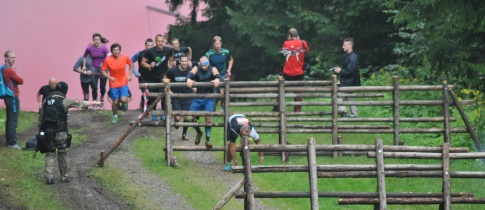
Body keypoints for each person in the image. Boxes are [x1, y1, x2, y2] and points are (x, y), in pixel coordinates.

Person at [38, 81, 100, 184]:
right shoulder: (65, 101)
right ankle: (64, 177)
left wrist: (40, 132)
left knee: (50, 153)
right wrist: (95, 102)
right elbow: (82, 103)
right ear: (64, 91)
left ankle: (49, 176)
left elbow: (40, 119)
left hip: (48, 133)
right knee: (62, 153)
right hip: (61, 133)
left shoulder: (46, 100)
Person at [186, 56, 225, 148]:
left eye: (205, 65)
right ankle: (199, 132)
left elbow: (219, 76)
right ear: (199, 64)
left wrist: (217, 79)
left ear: (208, 64)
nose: (203, 67)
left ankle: (207, 140)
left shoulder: (213, 69)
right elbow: (190, 75)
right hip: (198, 96)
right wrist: (188, 79)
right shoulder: (196, 68)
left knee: (208, 118)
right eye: (202, 65)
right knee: (190, 117)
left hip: (209, 97)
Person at [274, 28, 310, 112]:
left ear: (289, 35)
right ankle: (297, 110)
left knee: (282, 90)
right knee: (298, 93)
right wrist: (299, 41)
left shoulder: (286, 43)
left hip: (287, 72)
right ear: (297, 35)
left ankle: (277, 108)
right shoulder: (303, 43)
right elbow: (306, 52)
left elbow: (283, 53)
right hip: (299, 72)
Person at [141, 34, 173, 121]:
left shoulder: (168, 50)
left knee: (164, 95)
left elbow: (171, 55)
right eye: (158, 41)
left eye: (162, 41)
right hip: (153, 77)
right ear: (156, 42)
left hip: (164, 76)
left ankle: (163, 113)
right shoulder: (150, 51)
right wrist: (149, 66)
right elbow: (143, 63)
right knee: (154, 96)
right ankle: (154, 113)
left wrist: (170, 66)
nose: (160, 43)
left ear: (164, 42)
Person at [100, 43, 133, 124]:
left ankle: (125, 104)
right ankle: (115, 116)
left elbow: (131, 64)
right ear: (111, 51)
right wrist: (109, 77)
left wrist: (130, 74)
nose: (116, 51)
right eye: (114, 50)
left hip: (123, 82)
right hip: (113, 84)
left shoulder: (125, 57)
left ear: (120, 50)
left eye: (117, 50)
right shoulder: (108, 60)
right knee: (115, 101)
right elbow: (102, 70)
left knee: (123, 99)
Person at [163, 53, 193, 141]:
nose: (184, 63)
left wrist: (194, 87)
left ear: (188, 62)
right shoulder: (172, 70)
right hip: (176, 97)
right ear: (179, 61)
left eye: (186, 61)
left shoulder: (191, 71)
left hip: (188, 97)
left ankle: (184, 135)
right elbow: (164, 79)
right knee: (178, 117)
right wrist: (169, 91)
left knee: (187, 117)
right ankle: (176, 121)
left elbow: (195, 80)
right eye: (182, 61)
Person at [333, 38, 360, 118]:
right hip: (349, 82)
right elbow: (348, 70)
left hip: (349, 82)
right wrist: (339, 70)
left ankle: (344, 113)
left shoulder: (352, 57)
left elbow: (350, 71)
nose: (342, 47)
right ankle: (354, 115)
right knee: (350, 98)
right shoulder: (349, 56)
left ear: (350, 45)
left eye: (344, 45)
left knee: (337, 96)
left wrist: (340, 71)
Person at [2, 50, 24, 149]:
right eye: (12, 57)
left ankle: (9, 141)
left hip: (8, 96)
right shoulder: (9, 70)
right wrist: (17, 73)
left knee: (9, 119)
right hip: (12, 97)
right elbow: (21, 80)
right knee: (13, 120)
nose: (14, 59)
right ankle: (12, 142)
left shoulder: (2, 68)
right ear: (6, 58)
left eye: (14, 57)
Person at [205, 36, 233, 111]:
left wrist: (229, 69)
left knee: (224, 93)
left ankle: (222, 106)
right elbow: (205, 64)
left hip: (223, 75)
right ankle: (214, 112)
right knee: (214, 96)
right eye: (216, 44)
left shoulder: (226, 52)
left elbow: (230, 59)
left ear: (221, 44)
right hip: (213, 77)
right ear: (213, 44)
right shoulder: (209, 54)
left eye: (219, 44)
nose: (217, 46)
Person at [82, 33, 110, 109]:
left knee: (102, 87)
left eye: (98, 40)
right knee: (94, 87)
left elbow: (109, 56)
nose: (96, 41)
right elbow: (84, 56)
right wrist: (84, 65)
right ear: (93, 40)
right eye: (95, 40)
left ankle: (101, 97)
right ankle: (95, 102)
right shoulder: (90, 48)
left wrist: (104, 64)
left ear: (100, 40)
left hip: (103, 69)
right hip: (94, 69)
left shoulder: (104, 48)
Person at [132, 38, 154, 112]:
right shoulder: (139, 54)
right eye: (148, 45)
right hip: (143, 78)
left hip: (153, 78)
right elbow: (130, 62)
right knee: (146, 93)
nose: (150, 47)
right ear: (145, 45)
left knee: (152, 95)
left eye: (151, 45)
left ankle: (147, 107)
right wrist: (135, 72)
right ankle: (143, 107)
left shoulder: (156, 54)